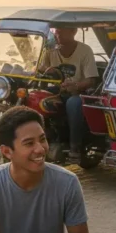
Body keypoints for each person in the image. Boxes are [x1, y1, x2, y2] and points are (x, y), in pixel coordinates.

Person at [39, 26, 98, 159]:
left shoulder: (85, 50)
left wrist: (75, 86)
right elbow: (40, 67)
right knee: (36, 97)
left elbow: (91, 80)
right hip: (57, 89)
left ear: (73, 31)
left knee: (73, 103)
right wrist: (47, 69)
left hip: (79, 92)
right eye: (56, 29)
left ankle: (74, 146)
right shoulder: (50, 49)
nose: (57, 32)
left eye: (61, 29)